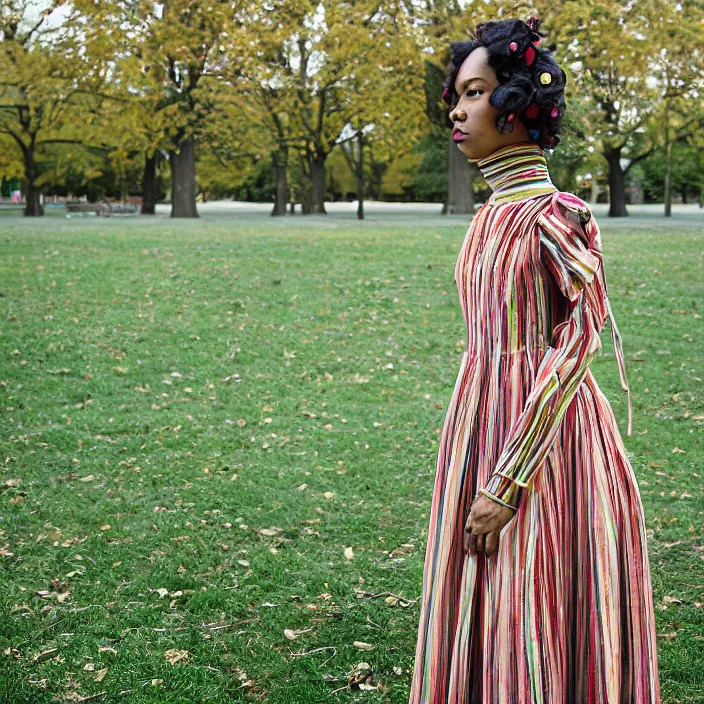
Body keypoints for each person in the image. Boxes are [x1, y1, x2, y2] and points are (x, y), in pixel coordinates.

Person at [409, 17, 662, 704]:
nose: (458, 111)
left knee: (532, 595)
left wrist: (509, 480)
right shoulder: (490, 214)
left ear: (517, 105)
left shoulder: (555, 215)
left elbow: (577, 343)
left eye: (476, 93)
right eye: (457, 95)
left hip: (547, 446)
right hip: (479, 417)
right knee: (485, 602)